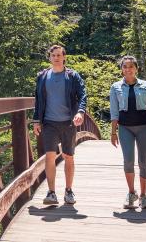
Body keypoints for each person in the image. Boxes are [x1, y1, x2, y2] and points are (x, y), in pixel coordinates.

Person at [32, 44, 87, 205]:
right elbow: (38, 100)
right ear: (49, 57)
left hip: (68, 122)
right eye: (53, 55)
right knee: (50, 155)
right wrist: (36, 120)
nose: (56, 58)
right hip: (49, 122)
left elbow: (83, 94)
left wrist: (80, 111)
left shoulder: (72, 76)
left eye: (59, 55)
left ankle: (68, 191)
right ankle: (51, 193)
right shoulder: (42, 76)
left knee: (68, 156)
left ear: (64, 57)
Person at [109, 55, 146, 210]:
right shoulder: (115, 87)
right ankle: (131, 193)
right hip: (125, 128)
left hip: (144, 127)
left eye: (131, 66)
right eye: (125, 66)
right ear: (121, 69)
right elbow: (114, 111)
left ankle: (143, 196)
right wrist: (113, 132)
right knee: (128, 160)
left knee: (143, 162)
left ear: (136, 68)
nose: (128, 69)